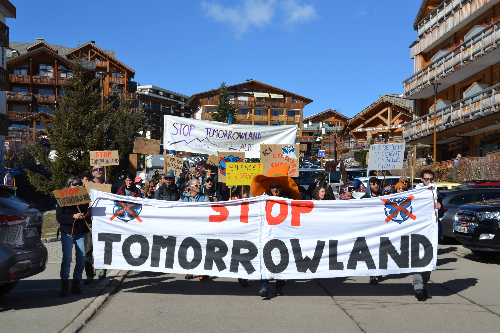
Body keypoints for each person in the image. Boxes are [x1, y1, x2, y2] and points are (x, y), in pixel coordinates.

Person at [251, 164, 301, 297]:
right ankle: (264, 287)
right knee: (266, 259)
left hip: (283, 235)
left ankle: (279, 287)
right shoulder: (264, 200)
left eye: (277, 186)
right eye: (272, 186)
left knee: (282, 260)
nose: (275, 189)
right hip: (268, 234)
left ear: (282, 188)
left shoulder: (288, 200)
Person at [56, 176, 91, 297]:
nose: (76, 186)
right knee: (67, 259)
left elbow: (88, 216)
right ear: (68, 185)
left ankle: (76, 283)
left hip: (81, 232)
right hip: (67, 232)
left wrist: (87, 214)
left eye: (78, 184)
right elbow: (59, 218)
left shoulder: (83, 197)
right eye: (73, 184)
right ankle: (64, 285)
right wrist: (73, 216)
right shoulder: (62, 197)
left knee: (81, 259)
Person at [413, 169, 442, 301]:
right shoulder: (415, 193)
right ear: (421, 179)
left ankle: (423, 287)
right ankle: (418, 287)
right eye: (426, 179)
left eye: (430, 179)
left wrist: (439, 207)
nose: (428, 182)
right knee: (418, 261)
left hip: (430, 234)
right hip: (417, 232)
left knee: (428, 262)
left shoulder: (435, 193)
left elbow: (441, 213)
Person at [183, 179, 209, 280]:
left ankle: (202, 271)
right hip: (188, 228)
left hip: (201, 227)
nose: (199, 186)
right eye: (196, 185)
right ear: (190, 187)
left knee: (201, 249)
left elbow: (208, 210)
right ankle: (190, 270)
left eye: (200, 185)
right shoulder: (184, 198)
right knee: (189, 249)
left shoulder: (204, 197)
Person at [360, 177, 383, 285]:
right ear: (369, 185)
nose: (376, 185)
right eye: (373, 183)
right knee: (371, 252)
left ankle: (378, 270)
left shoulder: (383, 198)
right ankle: (372, 274)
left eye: (377, 183)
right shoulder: (364, 199)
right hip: (369, 230)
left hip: (381, 230)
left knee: (380, 252)